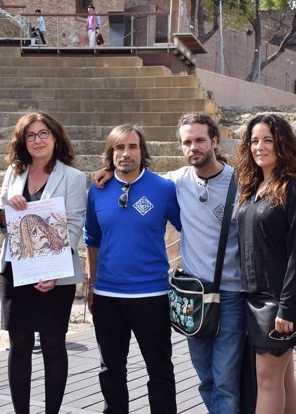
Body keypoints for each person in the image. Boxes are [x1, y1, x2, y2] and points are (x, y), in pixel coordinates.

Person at [93, 113, 246, 413]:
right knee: (206, 379)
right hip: (193, 296)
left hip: (230, 294)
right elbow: (137, 182)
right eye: (187, 142)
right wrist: (110, 172)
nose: (193, 147)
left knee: (226, 381)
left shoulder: (241, 183)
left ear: (214, 141)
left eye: (200, 140)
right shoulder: (174, 183)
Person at [84, 124, 181, 413]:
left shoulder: (163, 189)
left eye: (132, 147)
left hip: (151, 296)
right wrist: (92, 284)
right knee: (110, 370)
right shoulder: (98, 190)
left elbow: (187, 227)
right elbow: (92, 239)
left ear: (142, 151)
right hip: (108, 296)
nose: (125, 153)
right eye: (119, 147)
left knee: (160, 370)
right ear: (111, 153)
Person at [0, 112, 86, 414]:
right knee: (18, 345)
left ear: (55, 137)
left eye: (43, 133)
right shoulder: (14, 171)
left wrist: (52, 271)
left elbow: (72, 227)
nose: (37, 140)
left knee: (52, 344)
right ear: (23, 141)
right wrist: (8, 209)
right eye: (30, 135)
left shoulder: (73, 177)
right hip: (15, 269)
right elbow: (0, 217)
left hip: (55, 273)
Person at [235, 114, 296, 413]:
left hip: (277, 301)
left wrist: (288, 307)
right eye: (254, 141)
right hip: (251, 295)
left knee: (267, 380)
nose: (260, 147)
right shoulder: (251, 187)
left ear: (282, 143)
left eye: (268, 140)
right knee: (283, 376)